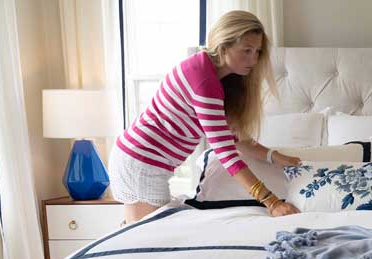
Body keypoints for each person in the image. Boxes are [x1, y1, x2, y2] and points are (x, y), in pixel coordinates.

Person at [108, 10, 300, 224]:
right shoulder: (203, 80)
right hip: (141, 162)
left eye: (257, 51)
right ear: (223, 46)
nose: (254, 59)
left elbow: (235, 138)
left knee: (146, 235)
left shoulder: (213, 76)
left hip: (148, 163)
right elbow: (227, 154)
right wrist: (272, 202)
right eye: (246, 50)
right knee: (145, 238)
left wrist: (273, 156)